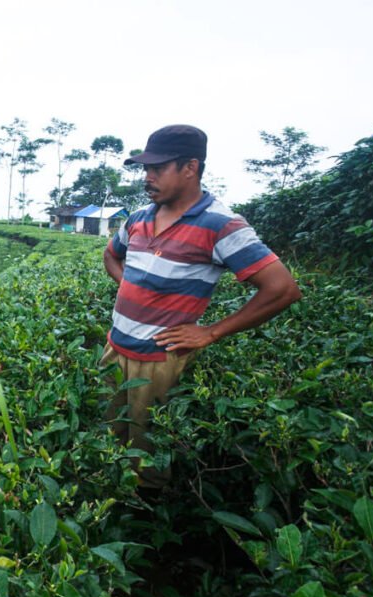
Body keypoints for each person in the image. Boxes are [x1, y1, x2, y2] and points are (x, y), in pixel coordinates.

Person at [102, 124, 302, 487]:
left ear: (190, 167)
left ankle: (145, 526)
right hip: (114, 350)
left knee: (147, 461)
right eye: (145, 169)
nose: (147, 177)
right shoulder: (139, 217)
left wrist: (211, 332)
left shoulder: (221, 225)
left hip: (158, 363)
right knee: (109, 444)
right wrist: (133, 286)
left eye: (157, 168)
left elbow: (282, 289)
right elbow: (111, 255)